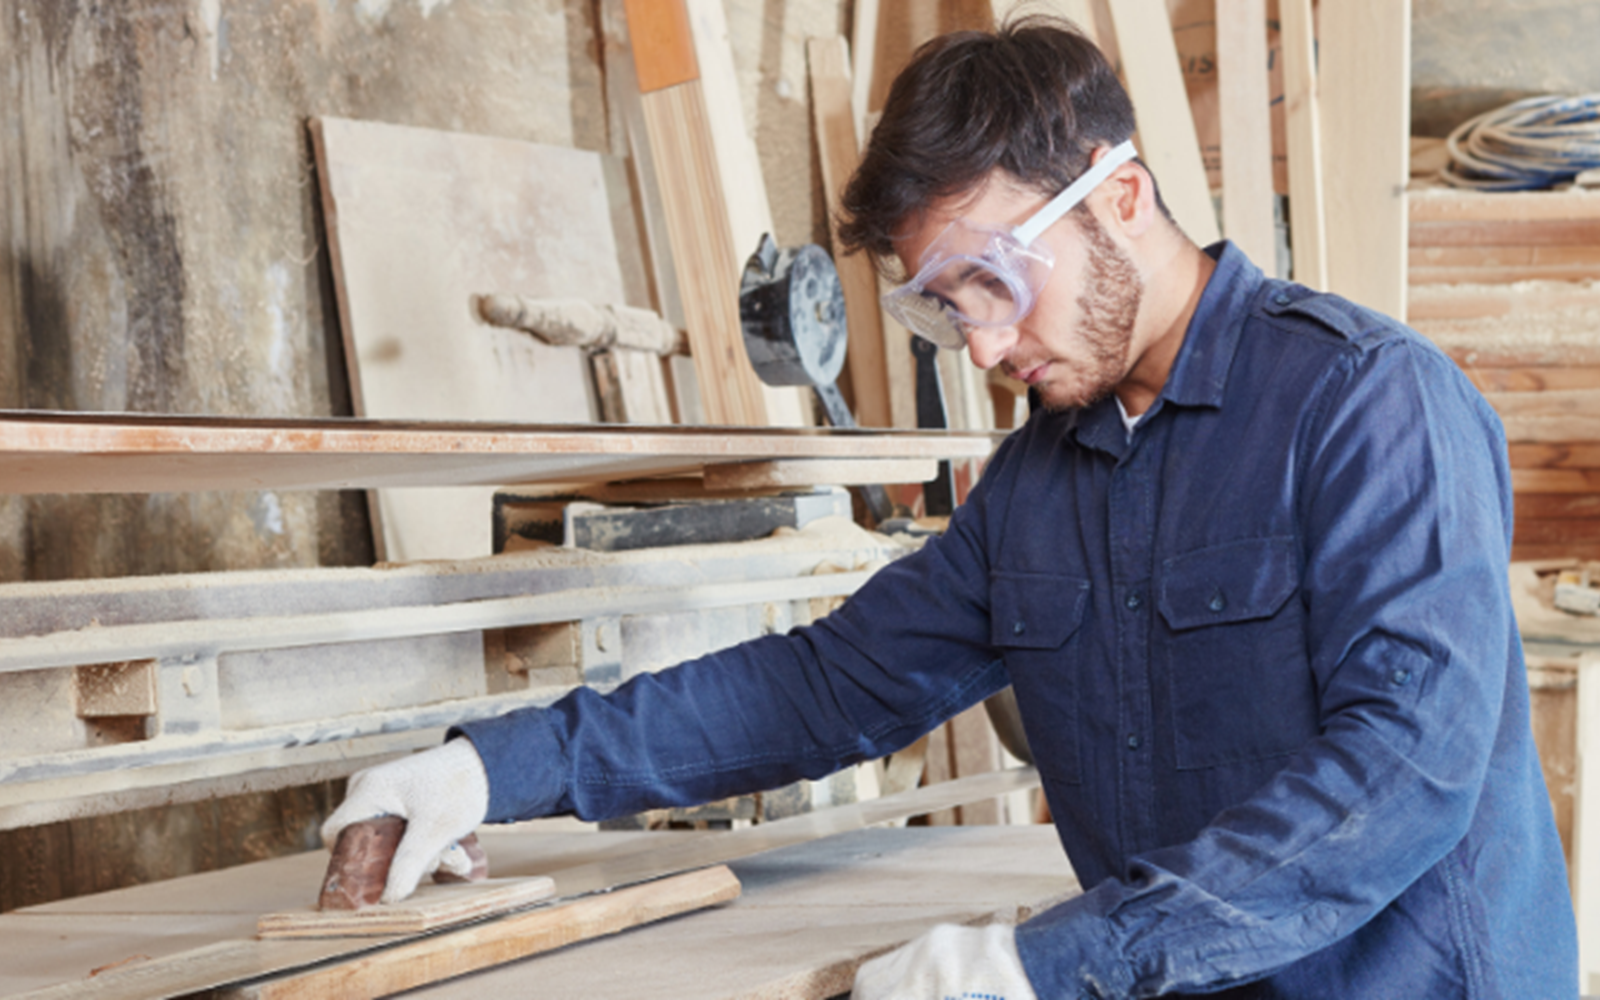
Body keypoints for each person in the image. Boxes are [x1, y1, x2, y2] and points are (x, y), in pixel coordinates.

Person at [323, 17, 1578, 998]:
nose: (977, 340)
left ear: (1119, 198)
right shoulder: (1037, 484)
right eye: (940, 304)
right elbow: (821, 687)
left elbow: (1402, 773)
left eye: (988, 278)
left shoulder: (1366, 406)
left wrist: (1053, 961)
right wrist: (488, 768)